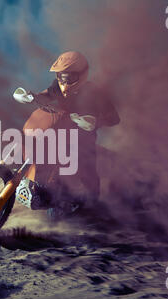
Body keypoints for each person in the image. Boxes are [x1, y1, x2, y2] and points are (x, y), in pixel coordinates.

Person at [23, 51, 120, 216]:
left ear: (81, 76)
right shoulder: (57, 86)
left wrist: (96, 122)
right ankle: (37, 190)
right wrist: (33, 96)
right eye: (61, 77)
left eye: (68, 78)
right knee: (40, 155)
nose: (63, 82)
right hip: (58, 131)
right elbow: (47, 95)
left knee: (85, 169)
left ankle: (91, 204)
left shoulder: (95, 93)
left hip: (82, 139)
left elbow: (114, 119)